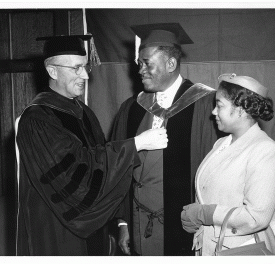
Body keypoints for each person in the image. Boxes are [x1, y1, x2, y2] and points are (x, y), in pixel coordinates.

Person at [15, 34, 168, 256]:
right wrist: (135, 144)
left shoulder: (84, 112)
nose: (85, 75)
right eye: (76, 68)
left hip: (91, 223)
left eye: (86, 67)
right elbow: (73, 174)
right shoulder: (37, 119)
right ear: (52, 71)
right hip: (58, 225)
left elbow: (100, 169)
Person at [111, 23, 220, 256]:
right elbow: (117, 171)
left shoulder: (206, 106)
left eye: (147, 63)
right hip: (138, 225)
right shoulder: (131, 108)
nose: (140, 70)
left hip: (188, 229)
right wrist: (123, 223)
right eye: (139, 63)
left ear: (171, 64)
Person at [181, 73, 275, 256]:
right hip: (208, 247)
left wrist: (206, 214)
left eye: (219, 105)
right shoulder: (221, 143)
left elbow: (256, 217)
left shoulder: (266, 150)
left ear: (241, 110)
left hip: (238, 250)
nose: (213, 112)